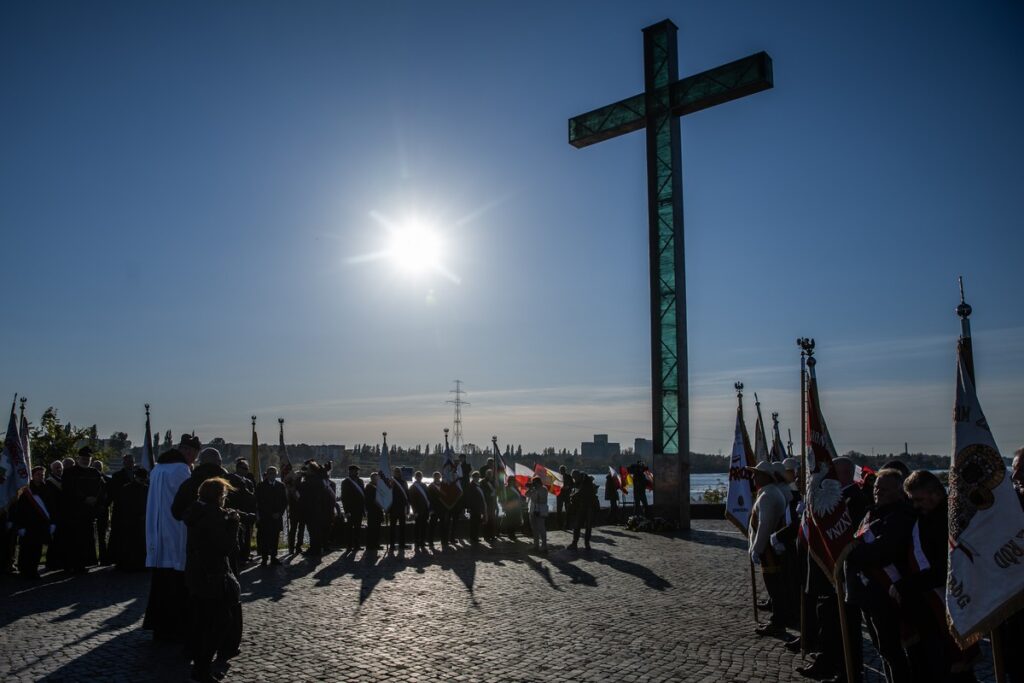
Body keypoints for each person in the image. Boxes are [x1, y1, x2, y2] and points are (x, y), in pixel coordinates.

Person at [845, 468, 913, 683]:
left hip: (887, 594)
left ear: (899, 490)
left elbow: (880, 552)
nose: (878, 492)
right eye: (876, 488)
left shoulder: (901, 516)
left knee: (894, 651)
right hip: (868, 593)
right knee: (882, 649)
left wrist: (852, 552)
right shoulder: (872, 513)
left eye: (884, 489)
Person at [182, 477, 245, 683]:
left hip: (196, 573)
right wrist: (234, 524)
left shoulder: (195, 511)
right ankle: (202, 670)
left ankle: (200, 667)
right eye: (224, 495)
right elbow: (225, 547)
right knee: (219, 622)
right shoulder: (213, 515)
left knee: (202, 622)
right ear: (218, 496)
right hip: (213, 575)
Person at [143, 433, 199, 643]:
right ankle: (176, 627)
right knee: (176, 584)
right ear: (187, 451)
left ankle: (158, 626)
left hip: (157, 533)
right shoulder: (180, 469)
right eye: (193, 454)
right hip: (175, 532)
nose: (193, 459)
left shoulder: (158, 468)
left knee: (160, 585)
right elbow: (187, 499)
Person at [746, 461, 789, 637]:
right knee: (775, 587)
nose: (753, 477)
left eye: (757, 474)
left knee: (774, 587)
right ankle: (779, 619)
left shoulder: (768, 496)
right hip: (771, 548)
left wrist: (757, 548)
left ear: (766, 476)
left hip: (769, 551)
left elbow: (765, 525)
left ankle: (778, 622)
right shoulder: (769, 493)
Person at [61, 447, 106, 572]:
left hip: (89, 512)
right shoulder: (69, 473)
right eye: (84, 458)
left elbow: (101, 489)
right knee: (72, 539)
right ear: (78, 458)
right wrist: (84, 498)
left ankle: (83, 564)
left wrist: (95, 499)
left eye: (88, 459)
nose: (86, 460)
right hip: (74, 512)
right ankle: (70, 564)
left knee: (86, 539)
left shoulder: (95, 473)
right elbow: (68, 490)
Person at [11, 466, 55, 578]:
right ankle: (24, 570)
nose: (41, 477)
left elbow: (51, 506)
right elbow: (19, 509)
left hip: (41, 525)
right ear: (33, 475)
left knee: (37, 549)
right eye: (38, 474)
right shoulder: (26, 490)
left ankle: (33, 570)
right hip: (27, 524)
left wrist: (52, 523)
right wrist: (20, 526)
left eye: (43, 475)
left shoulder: (46, 489)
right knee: (26, 548)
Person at [111, 467, 149, 571]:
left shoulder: (145, 489)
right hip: (130, 520)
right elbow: (124, 505)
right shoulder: (127, 489)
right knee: (131, 543)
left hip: (139, 520)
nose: (142, 481)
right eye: (141, 479)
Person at [226, 459, 257, 564]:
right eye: (244, 468)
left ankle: (245, 556)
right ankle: (238, 558)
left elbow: (253, 496)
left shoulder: (248, 481)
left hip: (248, 513)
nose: (246, 471)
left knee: (247, 535)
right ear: (238, 468)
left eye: (247, 469)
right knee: (239, 537)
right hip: (237, 512)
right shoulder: (231, 479)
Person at [255, 466, 287, 566]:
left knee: (275, 538)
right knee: (265, 538)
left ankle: (274, 557)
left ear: (276, 474)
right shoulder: (260, 486)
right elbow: (259, 502)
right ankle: (264, 558)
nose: (272, 475)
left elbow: (284, 501)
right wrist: (268, 514)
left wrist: (280, 513)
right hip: (265, 517)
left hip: (277, 517)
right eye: (270, 473)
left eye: (273, 473)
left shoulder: (281, 486)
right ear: (267, 474)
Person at [106, 454, 136, 564]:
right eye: (127, 462)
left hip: (134, 511)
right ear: (123, 463)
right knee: (119, 535)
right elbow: (114, 493)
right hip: (121, 510)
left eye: (131, 462)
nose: (130, 464)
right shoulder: (117, 476)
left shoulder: (138, 475)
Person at [44, 460, 67, 572]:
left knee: (61, 540)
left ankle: (60, 561)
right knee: (54, 541)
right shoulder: (49, 482)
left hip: (63, 514)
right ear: (52, 469)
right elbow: (50, 501)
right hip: (55, 514)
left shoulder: (63, 480)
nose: (59, 469)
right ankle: (51, 563)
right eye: (56, 467)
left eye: (60, 467)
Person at [90, 460, 113, 565]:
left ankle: (103, 558)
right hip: (92, 510)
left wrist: (105, 505)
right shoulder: (89, 479)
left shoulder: (108, 480)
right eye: (95, 467)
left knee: (102, 536)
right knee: (92, 536)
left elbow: (111, 496)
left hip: (103, 510)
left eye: (98, 467)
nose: (97, 468)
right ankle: (93, 558)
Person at [569, 472, 598, 550]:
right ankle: (577, 543)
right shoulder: (580, 482)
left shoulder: (586, 481)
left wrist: (573, 496)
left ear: (577, 476)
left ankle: (584, 543)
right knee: (578, 526)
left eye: (574, 478)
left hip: (588, 507)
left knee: (585, 526)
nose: (574, 480)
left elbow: (580, 493)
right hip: (582, 507)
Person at [340, 465, 365, 552]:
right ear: (350, 472)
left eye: (357, 471)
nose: (356, 472)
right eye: (355, 471)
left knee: (358, 528)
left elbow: (363, 496)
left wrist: (363, 509)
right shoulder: (345, 482)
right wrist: (346, 511)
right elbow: (344, 497)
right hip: (350, 509)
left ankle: (357, 545)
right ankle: (349, 545)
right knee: (349, 529)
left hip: (359, 509)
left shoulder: (360, 481)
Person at [388, 467, 410, 553]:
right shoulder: (391, 482)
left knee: (402, 527)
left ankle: (402, 544)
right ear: (393, 473)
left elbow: (407, 495)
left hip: (402, 508)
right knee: (392, 528)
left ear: (401, 473)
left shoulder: (404, 482)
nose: (397, 473)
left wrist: (408, 506)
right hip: (393, 508)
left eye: (399, 472)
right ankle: (392, 545)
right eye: (396, 472)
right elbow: (387, 495)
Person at [409, 471, 431, 552]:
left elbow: (428, 497)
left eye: (420, 476)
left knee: (424, 526)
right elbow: (411, 500)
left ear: (422, 477)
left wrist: (429, 509)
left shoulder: (424, 485)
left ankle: (422, 541)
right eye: (417, 476)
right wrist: (415, 511)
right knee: (417, 527)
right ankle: (417, 542)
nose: (419, 477)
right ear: (415, 477)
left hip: (425, 509)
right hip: (418, 510)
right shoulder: (413, 487)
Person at [526, 476, 548, 553]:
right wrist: (530, 489)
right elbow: (526, 494)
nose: (533, 484)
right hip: (532, 511)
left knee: (541, 529)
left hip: (540, 511)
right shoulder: (533, 489)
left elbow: (542, 500)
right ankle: (536, 545)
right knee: (534, 529)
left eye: (534, 483)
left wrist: (535, 491)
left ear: (538, 483)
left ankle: (544, 546)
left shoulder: (544, 489)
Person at [465, 472, 487, 546]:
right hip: (474, 507)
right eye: (475, 477)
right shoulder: (471, 485)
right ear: (473, 477)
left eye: (478, 477)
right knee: (473, 523)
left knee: (477, 522)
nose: (477, 478)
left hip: (478, 507)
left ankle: (475, 536)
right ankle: (473, 537)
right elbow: (469, 497)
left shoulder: (478, 485)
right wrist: (470, 507)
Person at [427, 471, 447, 549]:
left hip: (442, 509)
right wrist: (431, 509)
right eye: (436, 476)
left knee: (443, 526)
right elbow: (429, 499)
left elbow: (446, 498)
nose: (437, 478)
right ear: (433, 477)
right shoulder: (431, 486)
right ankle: (430, 542)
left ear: (440, 477)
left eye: (438, 476)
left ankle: (444, 541)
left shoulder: (444, 486)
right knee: (432, 527)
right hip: (434, 509)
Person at [501, 475, 524, 541]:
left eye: (514, 480)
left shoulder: (515, 487)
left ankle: (512, 533)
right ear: (509, 481)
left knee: (515, 521)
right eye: (512, 480)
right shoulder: (506, 488)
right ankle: (511, 534)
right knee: (510, 521)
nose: (513, 481)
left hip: (516, 507)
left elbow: (519, 495)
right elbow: (504, 498)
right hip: (509, 507)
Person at [365, 472, 383, 552]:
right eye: (375, 478)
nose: (377, 479)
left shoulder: (378, 487)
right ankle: (370, 545)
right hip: (372, 511)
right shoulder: (369, 487)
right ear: (372, 478)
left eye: (377, 478)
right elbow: (369, 500)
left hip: (378, 510)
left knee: (377, 529)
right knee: (371, 528)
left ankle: (376, 544)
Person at [556, 465, 573, 530]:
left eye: (563, 470)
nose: (562, 471)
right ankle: (559, 525)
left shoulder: (569, 477)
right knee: (559, 511)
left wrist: (568, 487)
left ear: (565, 470)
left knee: (568, 510)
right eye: (561, 470)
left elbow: (572, 485)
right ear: (559, 470)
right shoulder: (557, 476)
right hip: (559, 495)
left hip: (566, 495)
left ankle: (567, 525)